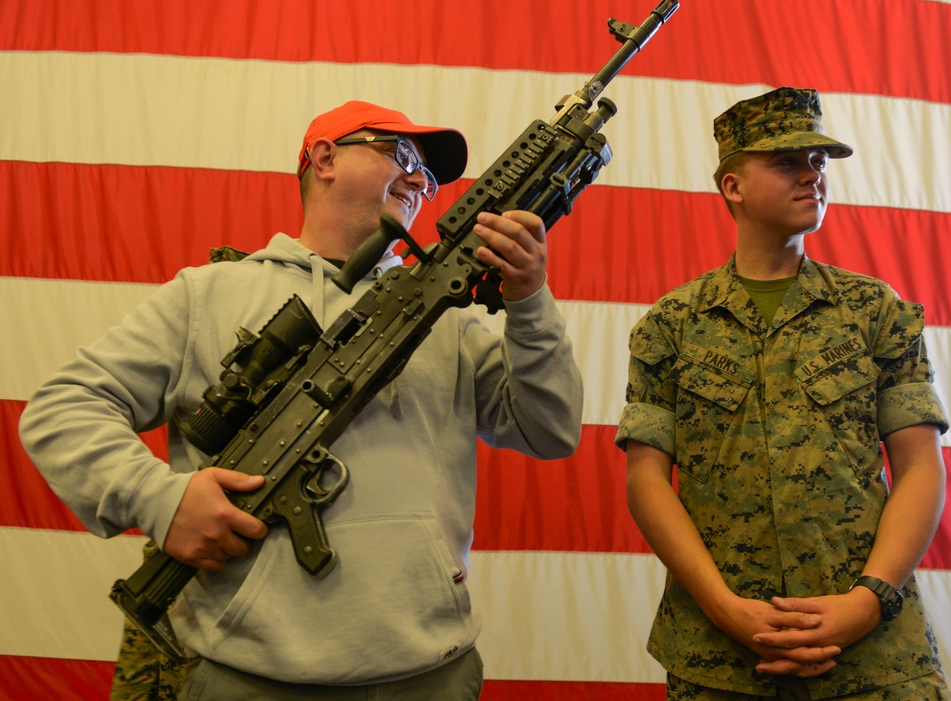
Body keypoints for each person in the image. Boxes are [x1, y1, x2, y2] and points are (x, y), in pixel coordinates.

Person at [19, 100, 584, 699]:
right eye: (404, 156)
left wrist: (528, 299)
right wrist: (160, 498)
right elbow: (65, 407)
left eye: (432, 175)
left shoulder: (448, 322)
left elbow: (549, 430)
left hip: (428, 671)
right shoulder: (209, 296)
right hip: (247, 674)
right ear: (325, 157)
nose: (422, 180)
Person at [616, 87, 951, 699]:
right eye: (786, 163)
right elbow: (646, 480)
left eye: (819, 163)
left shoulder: (876, 311)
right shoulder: (673, 324)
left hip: (873, 654)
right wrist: (723, 607)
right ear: (732, 186)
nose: (812, 177)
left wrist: (870, 598)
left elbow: (919, 465)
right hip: (722, 657)